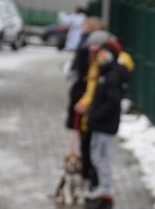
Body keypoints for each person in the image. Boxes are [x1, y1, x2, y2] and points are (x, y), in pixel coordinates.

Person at [81, 39, 130, 209]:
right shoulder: (105, 73)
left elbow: (111, 102)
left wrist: (97, 115)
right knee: (97, 157)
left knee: (104, 160)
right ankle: (102, 190)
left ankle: (106, 195)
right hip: (98, 124)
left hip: (105, 126)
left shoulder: (113, 75)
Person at [64, 17, 106, 191]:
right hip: (83, 101)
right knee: (86, 143)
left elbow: (91, 84)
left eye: (86, 25)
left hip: (88, 106)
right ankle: (88, 176)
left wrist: (84, 101)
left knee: (90, 146)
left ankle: (90, 178)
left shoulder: (95, 56)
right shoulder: (88, 49)